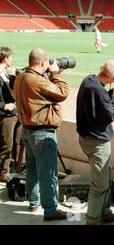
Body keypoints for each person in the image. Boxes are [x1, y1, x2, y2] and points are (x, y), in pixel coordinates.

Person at [13, 48, 70, 221]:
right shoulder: (36, 80)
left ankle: (33, 202)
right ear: (44, 63)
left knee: (31, 169)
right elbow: (62, 93)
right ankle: (50, 209)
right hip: (42, 132)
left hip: (27, 129)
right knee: (48, 172)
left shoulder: (21, 76)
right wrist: (56, 74)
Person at [76, 60, 114, 225]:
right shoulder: (99, 91)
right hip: (97, 142)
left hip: (87, 138)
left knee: (106, 177)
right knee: (99, 184)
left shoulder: (88, 80)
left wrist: (112, 90)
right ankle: (92, 220)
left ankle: (104, 211)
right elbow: (109, 116)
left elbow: (98, 104)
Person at [0, 47, 17, 182]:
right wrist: (3, 106)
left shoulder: (7, 72)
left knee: (16, 142)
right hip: (5, 115)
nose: (12, 59)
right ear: (5, 58)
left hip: (14, 113)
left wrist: (13, 77)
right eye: (11, 57)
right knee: (7, 144)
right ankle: (3, 173)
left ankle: (15, 167)